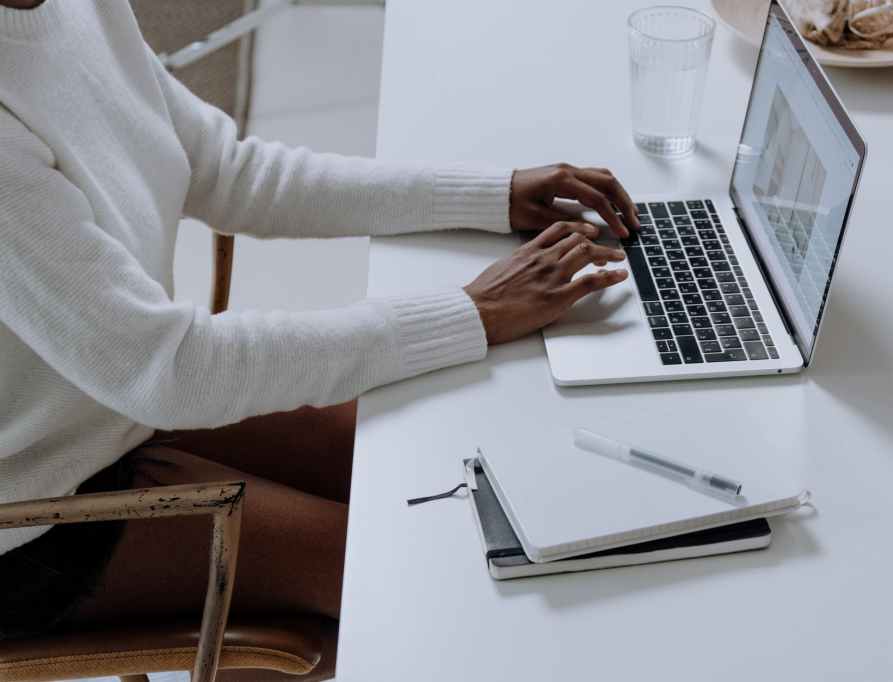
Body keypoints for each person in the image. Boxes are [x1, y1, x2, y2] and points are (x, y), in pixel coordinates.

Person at [0, 0, 637, 656]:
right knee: (413, 582)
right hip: (28, 520)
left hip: (109, 399)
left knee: (436, 464)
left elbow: (226, 170)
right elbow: (173, 371)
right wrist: (472, 312)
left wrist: (487, 193)